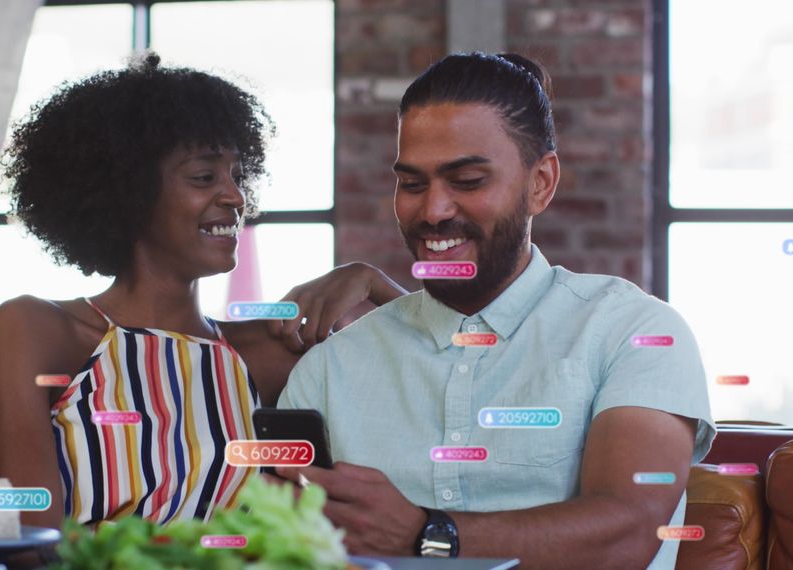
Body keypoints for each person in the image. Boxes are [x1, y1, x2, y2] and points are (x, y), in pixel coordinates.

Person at [276, 52, 715, 569]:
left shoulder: (634, 332)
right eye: (413, 184)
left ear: (541, 183)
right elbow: (280, 543)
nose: (434, 210)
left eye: (467, 181)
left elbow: (630, 531)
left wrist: (426, 534)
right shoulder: (331, 369)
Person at [0, 54, 405, 529]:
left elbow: (440, 363)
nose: (235, 196)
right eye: (205, 177)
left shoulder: (264, 351)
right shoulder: (38, 329)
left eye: (237, 176)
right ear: (128, 191)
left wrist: (372, 280)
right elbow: (28, 529)